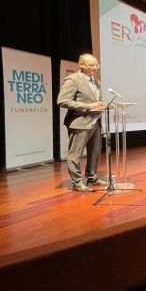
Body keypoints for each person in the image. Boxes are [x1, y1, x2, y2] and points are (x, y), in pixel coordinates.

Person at [57, 53, 107, 192]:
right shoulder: (72, 80)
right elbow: (62, 101)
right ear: (81, 65)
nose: (94, 68)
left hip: (95, 122)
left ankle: (92, 177)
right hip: (79, 122)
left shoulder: (96, 82)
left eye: (96, 65)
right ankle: (77, 182)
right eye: (91, 65)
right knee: (75, 155)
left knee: (95, 152)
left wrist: (99, 105)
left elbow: (93, 100)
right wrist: (88, 106)